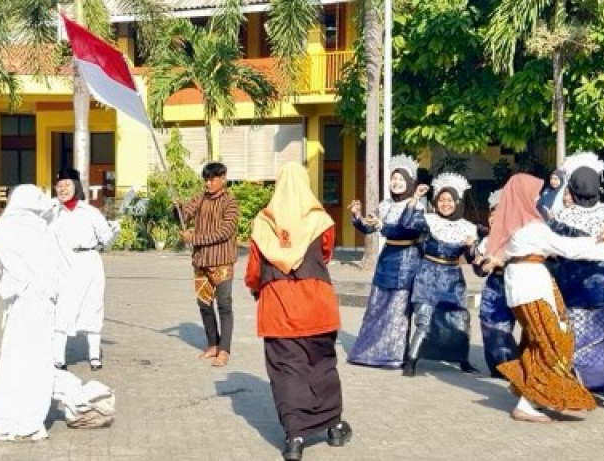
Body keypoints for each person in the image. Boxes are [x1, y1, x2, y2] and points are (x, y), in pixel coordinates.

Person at [484, 173, 604, 423]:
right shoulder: (531, 228)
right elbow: (566, 248)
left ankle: (534, 393)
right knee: (554, 342)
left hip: (523, 286)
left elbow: (560, 243)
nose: (538, 197)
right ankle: (529, 401)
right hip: (532, 287)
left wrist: (597, 240)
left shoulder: (516, 226)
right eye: (534, 193)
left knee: (539, 342)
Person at [0, 185, 114, 441]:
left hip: (23, 306)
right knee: (34, 362)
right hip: (39, 305)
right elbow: (50, 273)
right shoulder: (37, 231)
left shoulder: (8, 228)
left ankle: (23, 418)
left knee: (22, 364)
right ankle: (79, 400)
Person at [244, 163, 351, 461]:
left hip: (277, 304)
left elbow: (254, 269)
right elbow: (325, 255)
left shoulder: (263, 223)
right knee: (322, 364)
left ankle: (295, 437)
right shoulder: (320, 220)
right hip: (317, 302)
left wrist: (257, 287)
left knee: (286, 370)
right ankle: (334, 426)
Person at [547, 153, 604, 405]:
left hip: (575, 282)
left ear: (572, 187)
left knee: (580, 335)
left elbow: (555, 251)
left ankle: (584, 383)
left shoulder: (562, 217)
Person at [398, 173, 479, 376]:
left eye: (449, 200)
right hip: (428, 274)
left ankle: (462, 360)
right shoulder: (428, 219)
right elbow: (406, 223)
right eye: (442, 199)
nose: (445, 204)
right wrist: (415, 197)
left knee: (459, 319)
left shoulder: (467, 227)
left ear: (457, 202)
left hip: (452, 278)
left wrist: (471, 247)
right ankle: (412, 360)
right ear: (436, 202)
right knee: (425, 319)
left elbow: (472, 259)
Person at [347, 155, 422, 369]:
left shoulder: (416, 204)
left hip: (407, 259)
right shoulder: (386, 204)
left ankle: (394, 355)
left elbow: (408, 229)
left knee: (398, 309)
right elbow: (370, 227)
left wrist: (383, 226)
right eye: (393, 178)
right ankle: (369, 352)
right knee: (377, 306)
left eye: (400, 179)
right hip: (387, 257)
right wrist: (357, 216)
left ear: (409, 182)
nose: (396, 182)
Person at [50, 168, 117, 371]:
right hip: (64, 263)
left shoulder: (89, 212)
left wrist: (114, 231)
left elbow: (106, 239)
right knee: (62, 309)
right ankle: (58, 358)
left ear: (76, 187)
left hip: (89, 261)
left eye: (67, 185)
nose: (62, 189)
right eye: (59, 185)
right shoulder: (52, 213)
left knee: (93, 306)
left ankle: (94, 356)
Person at [178, 162, 240, 367]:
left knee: (224, 306)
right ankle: (212, 344)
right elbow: (185, 214)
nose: (208, 183)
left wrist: (194, 238)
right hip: (201, 262)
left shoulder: (230, 202)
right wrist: (177, 208)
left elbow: (224, 232)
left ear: (223, 178)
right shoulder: (200, 198)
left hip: (222, 262)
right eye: (205, 179)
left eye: (212, 179)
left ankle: (224, 349)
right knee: (204, 305)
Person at [472, 189, 516, 380]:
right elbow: (480, 271)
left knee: (503, 329)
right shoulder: (487, 240)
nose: (493, 218)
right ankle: (496, 368)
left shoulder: (515, 239)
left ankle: (512, 366)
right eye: (491, 213)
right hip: (492, 287)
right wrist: (477, 260)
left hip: (511, 284)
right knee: (488, 324)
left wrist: (500, 263)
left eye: (498, 214)